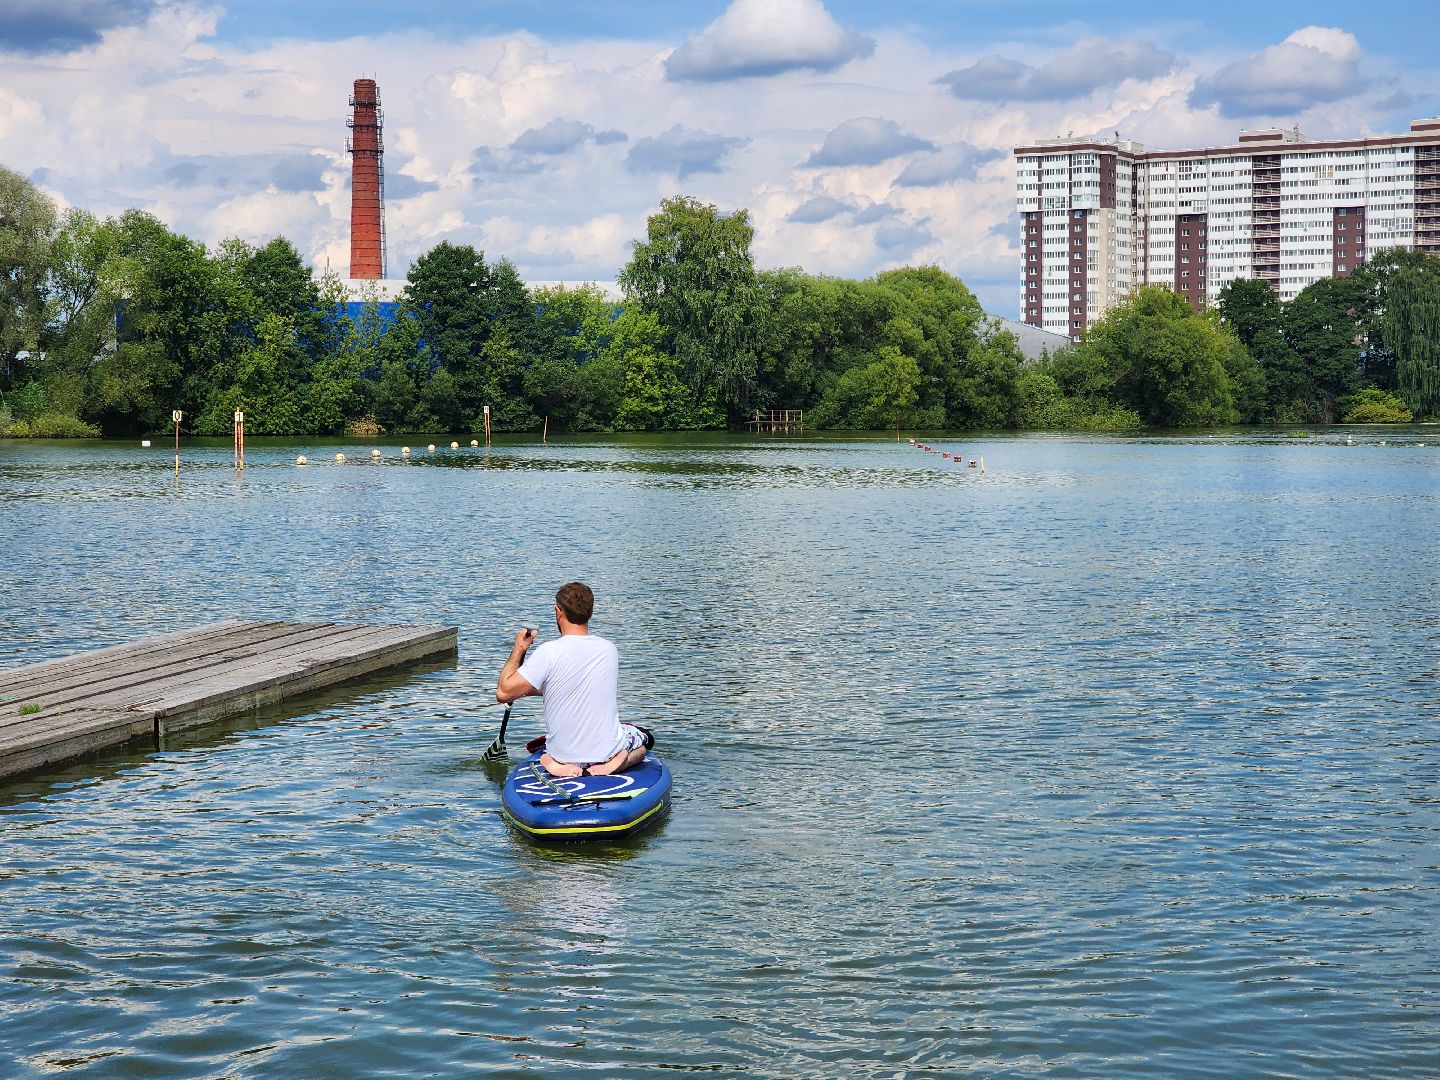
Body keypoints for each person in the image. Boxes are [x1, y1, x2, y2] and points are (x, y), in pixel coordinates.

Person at [495, 582, 649, 778]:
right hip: (605, 753)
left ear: (558, 612)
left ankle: (550, 762)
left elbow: (503, 692)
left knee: (544, 751)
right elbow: (576, 685)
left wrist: (519, 648)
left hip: (563, 756)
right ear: (590, 613)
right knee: (643, 741)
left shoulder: (548, 652)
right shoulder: (609, 649)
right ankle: (618, 762)